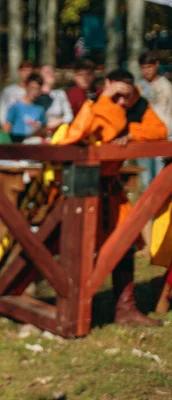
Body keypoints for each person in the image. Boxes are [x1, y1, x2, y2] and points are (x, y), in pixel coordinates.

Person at [56, 69, 167, 326]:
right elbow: (86, 132)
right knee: (80, 248)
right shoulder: (94, 105)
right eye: (116, 95)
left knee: (125, 245)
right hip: (82, 189)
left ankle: (125, 309)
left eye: (125, 97)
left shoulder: (136, 105)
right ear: (107, 86)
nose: (121, 103)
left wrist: (132, 131)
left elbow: (158, 130)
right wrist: (106, 100)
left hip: (112, 190)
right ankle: (79, 310)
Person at [137, 52, 172, 186]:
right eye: (143, 67)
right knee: (146, 180)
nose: (146, 71)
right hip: (144, 137)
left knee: (160, 180)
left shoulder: (166, 86)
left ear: (156, 65)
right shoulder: (138, 87)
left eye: (149, 67)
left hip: (163, 136)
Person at [2, 73, 46, 143]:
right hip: (16, 141)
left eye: (37, 89)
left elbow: (43, 128)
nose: (34, 92)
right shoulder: (15, 107)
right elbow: (7, 127)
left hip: (34, 143)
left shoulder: (40, 109)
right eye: (32, 88)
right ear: (26, 87)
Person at [36, 65, 73, 132]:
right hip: (39, 132)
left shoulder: (60, 94)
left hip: (59, 132)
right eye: (47, 72)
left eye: (52, 72)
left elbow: (69, 116)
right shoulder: (35, 94)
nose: (51, 74)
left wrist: (59, 121)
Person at [0, 60, 34, 127]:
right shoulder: (8, 91)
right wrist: (4, 126)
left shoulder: (35, 91)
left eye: (29, 70)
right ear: (19, 72)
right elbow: (2, 111)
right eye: (24, 70)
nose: (26, 73)